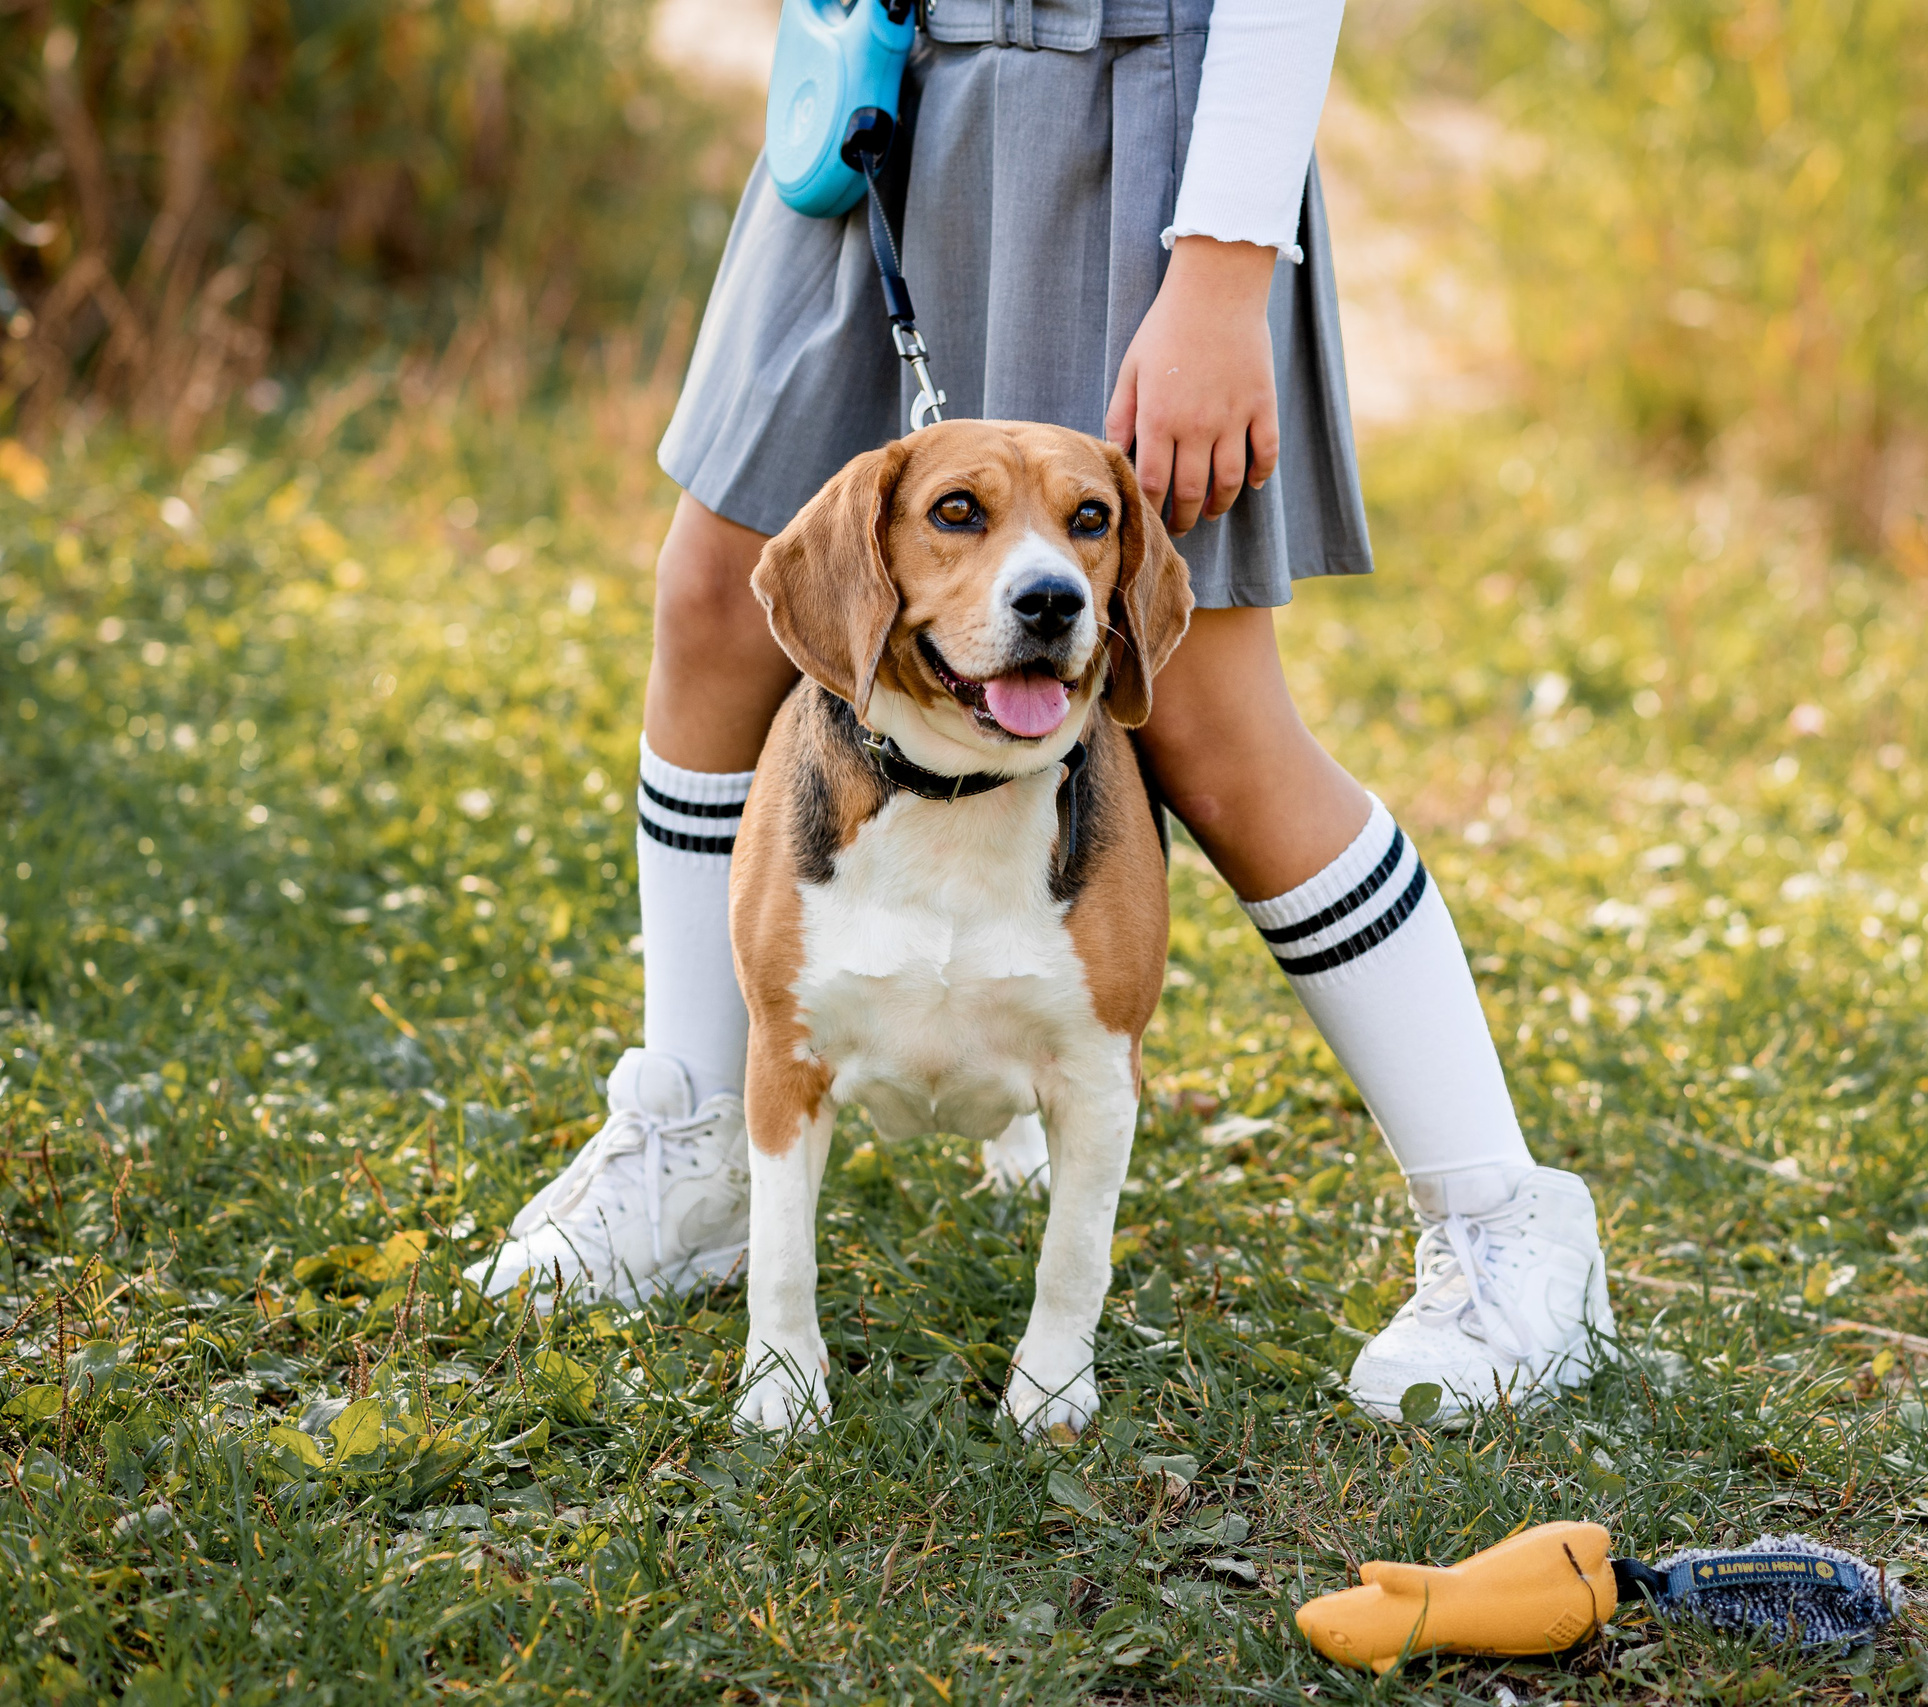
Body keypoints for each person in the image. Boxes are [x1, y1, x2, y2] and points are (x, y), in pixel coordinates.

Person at [467, 0, 1614, 1420]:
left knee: (1199, 717)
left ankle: (1505, 1224)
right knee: (720, 597)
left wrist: (1225, 267)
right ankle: (702, 1134)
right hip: (895, 76)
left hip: (1122, 107)